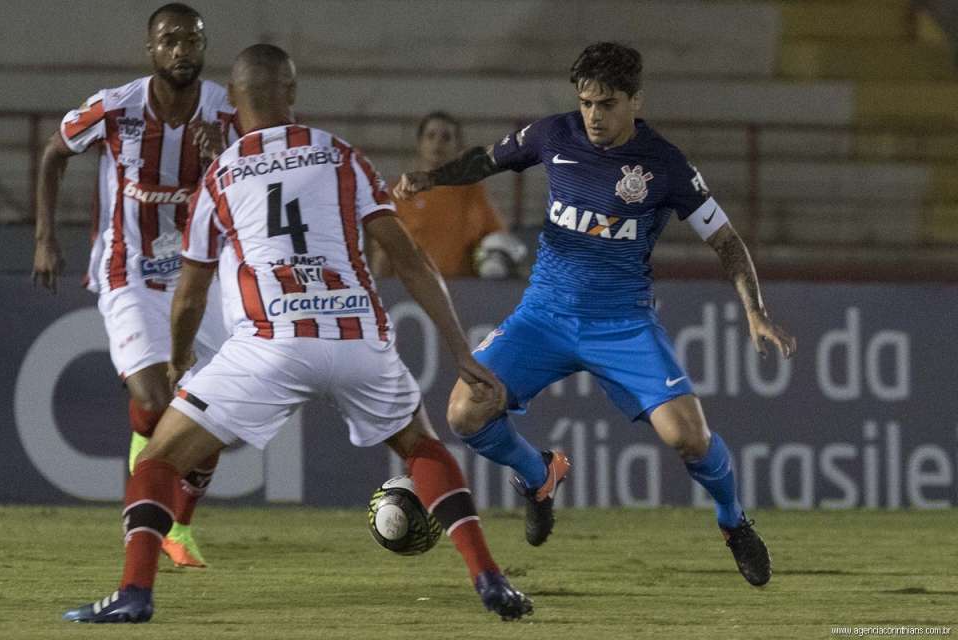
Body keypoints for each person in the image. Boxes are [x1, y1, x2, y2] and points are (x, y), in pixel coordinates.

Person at [61, 44, 534, 624]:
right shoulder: (342, 156)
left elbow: (189, 292)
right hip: (357, 337)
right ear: (292, 92)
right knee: (422, 448)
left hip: (270, 343)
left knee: (157, 459)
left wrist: (181, 359)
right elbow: (408, 258)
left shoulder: (222, 174)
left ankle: (135, 592)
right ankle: (490, 579)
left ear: (232, 101)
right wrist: (461, 350)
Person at [395, 42, 797, 587]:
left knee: (689, 439)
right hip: (544, 316)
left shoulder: (666, 165)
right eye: (586, 102)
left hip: (623, 325)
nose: (593, 116)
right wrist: (434, 177)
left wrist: (755, 311)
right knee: (465, 413)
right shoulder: (553, 135)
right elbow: (488, 160)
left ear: (635, 100)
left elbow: (725, 241)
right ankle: (538, 474)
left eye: (606, 103)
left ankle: (733, 521)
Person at [31, 3, 240, 568]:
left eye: (191, 40)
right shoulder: (115, 107)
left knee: (217, 406)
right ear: (151, 50)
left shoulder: (228, 113)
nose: (181, 51)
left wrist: (222, 161)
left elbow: (261, 185)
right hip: (130, 271)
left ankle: (181, 529)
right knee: (155, 397)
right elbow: (54, 153)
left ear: (204, 46)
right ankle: (148, 439)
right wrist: (45, 237)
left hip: (205, 274)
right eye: (169, 41)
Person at [369, 111, 525, 278]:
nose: (437, 143)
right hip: (411, 294)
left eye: (446, 137)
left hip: (463, 292)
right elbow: (383, 252)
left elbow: (498, 242)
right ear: (420, 143)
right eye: (431, 136)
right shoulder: (398, 193)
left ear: (458, 146)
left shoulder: (474, 193)